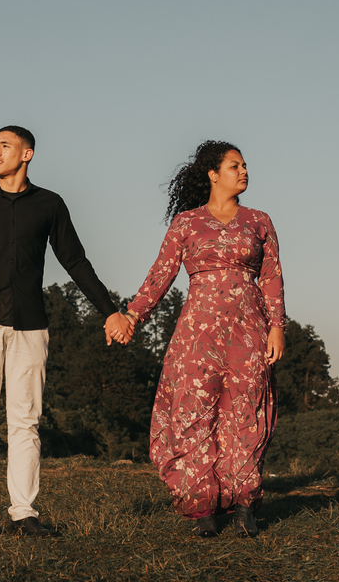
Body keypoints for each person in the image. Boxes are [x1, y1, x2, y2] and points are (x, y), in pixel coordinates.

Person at [0, 126, 134, 539]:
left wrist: (110, 311)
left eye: (4, 146)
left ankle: (25, 513)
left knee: (26, 422)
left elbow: (75, 261)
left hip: (31, 325)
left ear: (27, 154)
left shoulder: (50, 204)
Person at [123, 140, 286, 538]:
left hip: (249, 330)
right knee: (193, 414)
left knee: (245, 414)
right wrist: (132, 314)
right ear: (213, 174)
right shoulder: (186, 223)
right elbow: (161, 273)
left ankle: (245, 503)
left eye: (245, 165)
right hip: (197, 332)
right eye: (235, 166)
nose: (244, 171)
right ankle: (201, 507)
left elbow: (272, 277)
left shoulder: (259, 221)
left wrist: (278, 325)